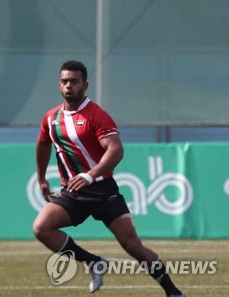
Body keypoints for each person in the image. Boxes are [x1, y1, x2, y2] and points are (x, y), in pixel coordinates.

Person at [32, 61, 185, 296]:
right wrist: (41, 177)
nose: (68, 86)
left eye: (74, 81)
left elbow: (116, 150)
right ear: (59, 85)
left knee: (132, 245)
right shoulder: (51, 118)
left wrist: (90, 175)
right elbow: (43, 144)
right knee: (42, 228)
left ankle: (173, 292)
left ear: (85, 85)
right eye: (64, 81)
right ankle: (93, 263)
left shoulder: (96, 115)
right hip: (72, 192)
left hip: (103, 190)